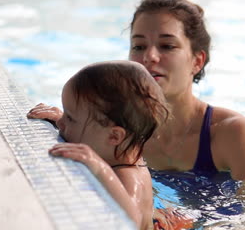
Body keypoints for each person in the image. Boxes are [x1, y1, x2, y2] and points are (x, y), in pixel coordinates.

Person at [28, 0, 245, 195]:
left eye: (167, 46)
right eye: (139, 46)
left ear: (197, 61)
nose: (149, 57)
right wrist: (70, 121)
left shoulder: (233, 133)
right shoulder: (112, 128)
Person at [44, 61, 170, 230]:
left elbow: (132, 221)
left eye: (71, 118)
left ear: (114, 136)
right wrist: (61, 118)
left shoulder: (128, 176)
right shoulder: (120, 151)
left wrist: (100, 169)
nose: (61, 123)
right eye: (65, 113)